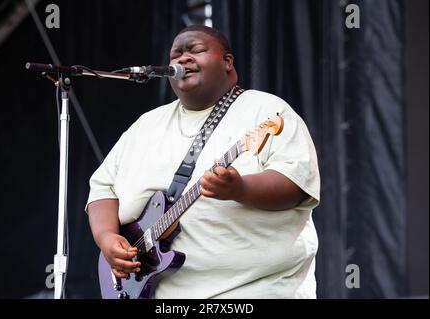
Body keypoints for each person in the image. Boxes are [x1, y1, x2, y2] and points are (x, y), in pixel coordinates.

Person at [86, 25, 320, 298]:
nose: (183, 59)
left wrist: (240, 189)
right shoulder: (146, 125)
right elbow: (103, 188)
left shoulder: (267, 111)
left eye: (195, 50)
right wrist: (106, 238)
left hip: (254, 290)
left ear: (227, 62)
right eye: (176, 54)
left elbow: (296, 183)